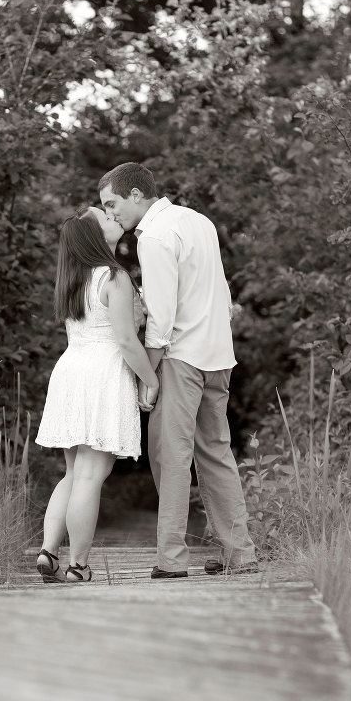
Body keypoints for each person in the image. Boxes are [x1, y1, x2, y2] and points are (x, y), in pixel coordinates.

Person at [99, 162, 258, 580]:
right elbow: (221, 292)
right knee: (216, 452)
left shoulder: (152, 237)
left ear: (136, 194)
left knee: (170, 457)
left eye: (112, 204)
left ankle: (171, 558)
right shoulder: (198, 220)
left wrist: (149, 379)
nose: (111, 214)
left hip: (181, 358)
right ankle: (240, 554)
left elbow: (161, 320)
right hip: (219, 354)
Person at [34, 205, 159, 583]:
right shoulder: (114, 277)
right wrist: (150, 379)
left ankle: (48, 553)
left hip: (71, 369)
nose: (113, 218)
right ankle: (79, 565)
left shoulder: (74, 278)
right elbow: (125, 340)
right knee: (91, 474)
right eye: (105, 217)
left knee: (73, 471)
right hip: (103, 373)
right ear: (94, 235)